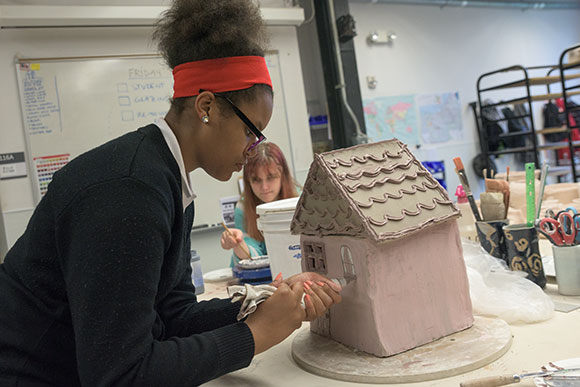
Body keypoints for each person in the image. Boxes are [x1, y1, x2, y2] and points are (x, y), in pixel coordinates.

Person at [0, 1, 341, 386]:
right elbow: (122, 374)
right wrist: (256, 334)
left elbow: (174, 315)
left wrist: (265, 301)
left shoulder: (167, 179)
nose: (254, 148)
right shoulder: (129, 192)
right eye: (251, 130)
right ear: (207, 106)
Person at [220, 142, 299, 267]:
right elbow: (253, 256)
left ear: (282, 176)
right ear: (248, 181)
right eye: (256, 180)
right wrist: (237, 243)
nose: (264, 187)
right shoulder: (243, 208)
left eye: (271, 177)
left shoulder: (301, 203)